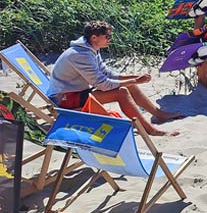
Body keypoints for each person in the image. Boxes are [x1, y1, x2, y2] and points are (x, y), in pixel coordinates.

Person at [49, 21, 182, 136]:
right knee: (121, 92)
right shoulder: (80, 55)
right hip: (64, 99)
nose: (110, 39)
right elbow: (103, 84)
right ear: (94, 37)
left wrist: (135, 78)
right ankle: (150, 130)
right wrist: (134, 81)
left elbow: (107, 73)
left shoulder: (91, 49)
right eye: (107, 36)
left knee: (129, 85)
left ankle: (158, 114)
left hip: (76, 92)